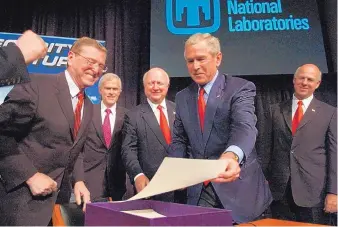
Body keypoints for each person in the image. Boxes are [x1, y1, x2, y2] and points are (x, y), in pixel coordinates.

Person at [0, 37, 107, 225]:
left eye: (101, 65)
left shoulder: (89, 104)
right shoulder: (36, 85)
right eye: (91, 62)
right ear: (71, 57)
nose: (96, 69)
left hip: (58, 206)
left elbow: (75, 148)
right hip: (21, 205)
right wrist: (30, 176)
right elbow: (2, 134)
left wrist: (78, 180)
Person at [168, 33, 272, 223]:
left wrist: (231, 156)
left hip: (238, 191)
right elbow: (179, 140)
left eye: (201, 59)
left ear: (218, 58)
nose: (195, 66)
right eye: (190, 61)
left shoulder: (240, 88)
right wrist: (176, 170)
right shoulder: (183, 97)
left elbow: (244, 127)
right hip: (199, 191)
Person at [267, 64, 337, 224]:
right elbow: (265, 148)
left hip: (314, 194)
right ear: (294, 80)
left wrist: (334, 192)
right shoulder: (275, 110)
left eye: (310, 79)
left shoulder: (330, 113)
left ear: (317, 84)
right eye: (301, 78)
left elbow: (335, 155)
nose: (305, 82)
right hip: (279, 192)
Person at [121, 68, 176, 202]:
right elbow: (128, 150)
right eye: (151, 83)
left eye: (159, 83)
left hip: (180, 186)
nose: (155, 87)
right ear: (144, 86)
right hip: (151, 188)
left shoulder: (179, 110)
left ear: (167, 86)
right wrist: (138, 175)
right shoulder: (133, 116)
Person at [83, 73, 127, 202]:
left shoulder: (128, 116)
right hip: (90, 179)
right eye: (108, 88)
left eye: (115, 89)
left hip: (118, 182)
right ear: (100, 90)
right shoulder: (87, 112)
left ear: (120, 91)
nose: (111, 92)